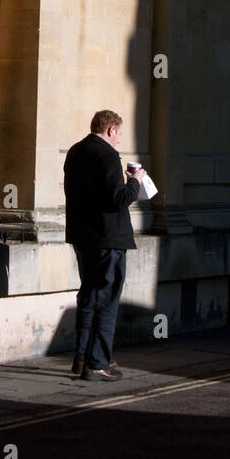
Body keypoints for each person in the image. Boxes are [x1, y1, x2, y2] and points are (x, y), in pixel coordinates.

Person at [64, 110, 151, 382]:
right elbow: (117, 199)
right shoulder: (108, 156)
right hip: (108, 238)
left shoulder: (75, 152)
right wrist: (134, 183)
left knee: (89, 295)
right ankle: (98, 363)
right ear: (111, 130)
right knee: (107, 299)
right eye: (119, 134)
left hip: (82, 236)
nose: (119, 140)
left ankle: (81, 357)